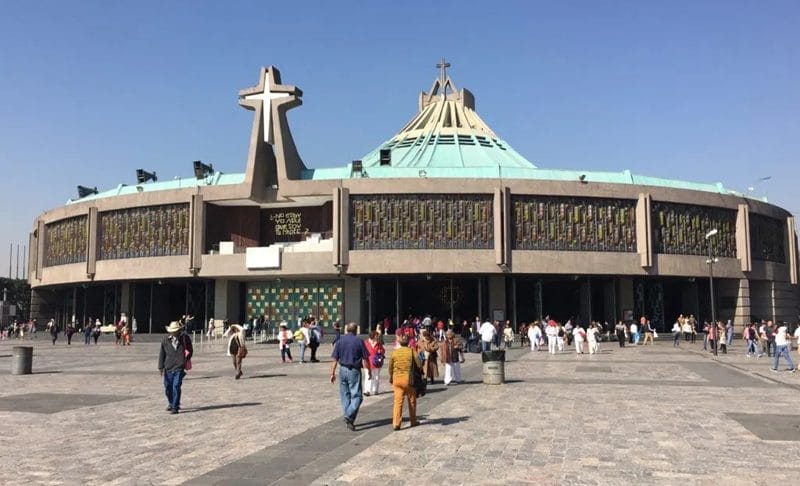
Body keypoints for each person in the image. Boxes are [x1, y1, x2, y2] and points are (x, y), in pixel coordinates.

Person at [330, 322, 369, 431]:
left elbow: (334, 359)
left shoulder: (340, 341)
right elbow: (365, 358)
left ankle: (349, 419)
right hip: (354, 370)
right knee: (357, 396)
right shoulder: (359, 341)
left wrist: (332, 373)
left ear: (347, 330)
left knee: (345, 395)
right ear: (356, 330)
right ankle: (349, 414)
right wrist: (368, 370)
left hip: (342, 369)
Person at [388, 333, 423, 431]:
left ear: (399, 342)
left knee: (398, 402)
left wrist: (391, 377)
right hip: (409, 378)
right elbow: (419, 364)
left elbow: (390, 367)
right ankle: (413, 420)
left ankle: (396, 423)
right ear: (408, 343)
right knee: (412, 400)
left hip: (397, 379)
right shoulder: (411, 352)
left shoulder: (394, 353)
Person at [158, 321, 193, 414]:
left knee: (176, 386)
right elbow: (162, 354)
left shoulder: (185, 338)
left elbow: (190, 350)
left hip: (179, 367)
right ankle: (171, 402)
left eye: (176, 330)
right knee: (168, 387)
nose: (174, 332)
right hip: (168, 367)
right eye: (172, 331)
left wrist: (185, 359)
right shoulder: (165, 340)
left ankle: (175, 406)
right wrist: (160, 367)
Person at [363, 330, 385, 396]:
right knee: (368, 376)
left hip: (376, 362)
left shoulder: (379, 343)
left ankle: (375, 390)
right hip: (368, 362)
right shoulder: (366, 343)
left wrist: (380, 351)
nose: (377, 337)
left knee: (376, 376)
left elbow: (383, 350)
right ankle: (367, 390)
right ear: (372, 336)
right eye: (376, 335)